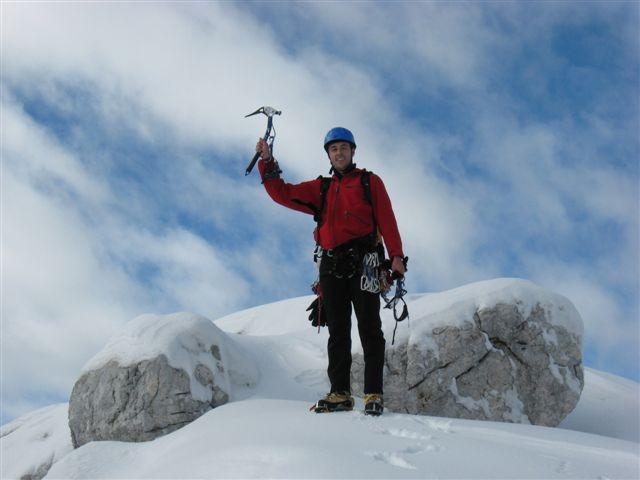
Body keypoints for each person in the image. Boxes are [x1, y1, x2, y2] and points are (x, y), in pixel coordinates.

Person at [255, 127, 406, 416]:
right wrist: (267, 162)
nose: (339, 153)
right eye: (334, 149)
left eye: (343, 148)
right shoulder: (321, 188)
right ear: (328, 154)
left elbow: (386, 217)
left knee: (370, 329)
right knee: (338, 331)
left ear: (352, 152)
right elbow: (282, 193)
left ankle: (373, 394)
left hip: (366, 264)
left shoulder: (369, 182)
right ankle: (340, 393)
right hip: (331, 267)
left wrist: (396, 255)